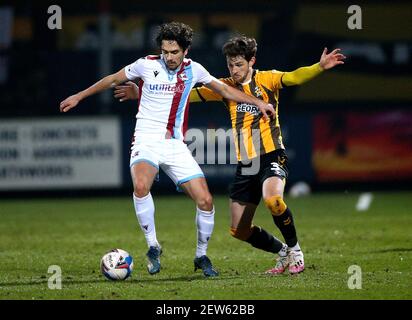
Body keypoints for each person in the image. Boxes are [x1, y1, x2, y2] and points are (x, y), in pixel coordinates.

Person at [114, 36, 345, 275]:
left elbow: (295, 76)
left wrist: (319, 67)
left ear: (251, 61)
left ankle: (296, 251)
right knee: (239, 230)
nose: (234, 70)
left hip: (271, 154)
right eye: (230, 65)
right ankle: (283, 253)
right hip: (246, 162)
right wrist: (140, 93)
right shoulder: (224, 88)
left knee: (273, 200)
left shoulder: (267, 79)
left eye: (239, 65)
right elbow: (181, 94)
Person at [60, 24, 276, 278]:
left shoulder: (194, 70)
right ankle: (153, 246)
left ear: (186, 50)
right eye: (165, 51)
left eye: (174, 52)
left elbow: (225, 90)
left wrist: (258, 102)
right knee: (141, 186)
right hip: (146, 140)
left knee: (205, 201)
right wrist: (79, 95)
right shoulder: (145, 65)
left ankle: (201, 256)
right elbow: (112, 79)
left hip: (174, 145)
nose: (169, 57)